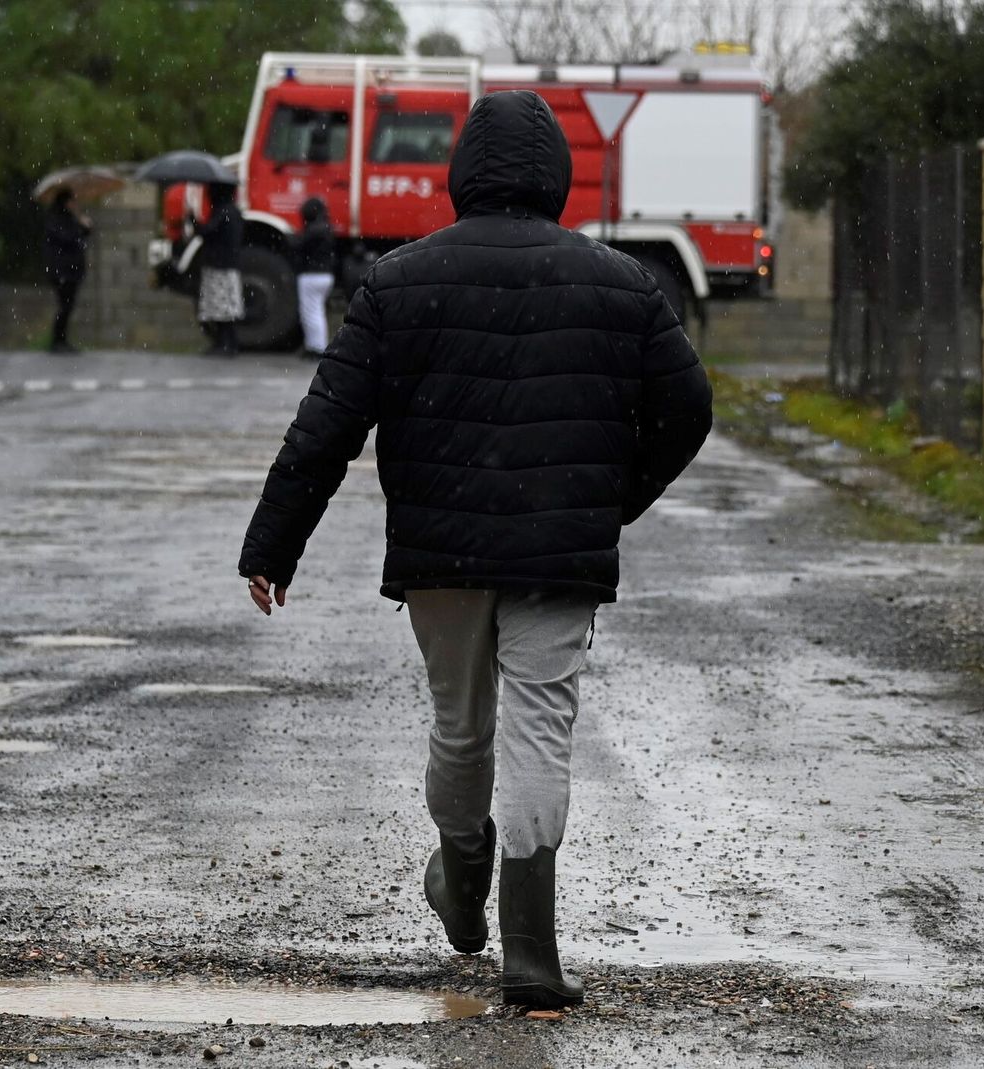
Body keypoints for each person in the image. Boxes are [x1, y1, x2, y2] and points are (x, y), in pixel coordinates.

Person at [237, 91, 711, 1009]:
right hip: (560, 556)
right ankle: (531, 952)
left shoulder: (398, 280)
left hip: (441, 556)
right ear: (555, 177)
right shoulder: (622, 283)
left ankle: (461, 881)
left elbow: (326, 425)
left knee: (462, 728)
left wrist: (274, 544)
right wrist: (609, 503)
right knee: (541, 733)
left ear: (462, 175)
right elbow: (688, 410)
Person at [197, 183, 244, 356]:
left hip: (218, 266)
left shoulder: (222, 212)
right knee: (227, 309)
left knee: (220, 308)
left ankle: (224, 345)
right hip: (230, 265)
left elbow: (208, 232)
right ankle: (230, 344)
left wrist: (194, 222)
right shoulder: (235, 211)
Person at [43, 188, 92, 354]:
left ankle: (61, 340)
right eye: (72, 201)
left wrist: (84, 225)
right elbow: (67, 239)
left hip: (71, 271)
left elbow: (80, 237)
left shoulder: (70, 219)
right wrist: (79, 227)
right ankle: (57, 341)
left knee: (68, 306)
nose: (74, 204)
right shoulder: (56, 219)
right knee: (65, 306)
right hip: (62, 271)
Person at [293, 197, 336, 358]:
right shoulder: (325, 227)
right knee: (316, 311)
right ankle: (315, 345)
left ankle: (316, 347)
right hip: (325, 274)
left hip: (312, 275)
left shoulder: (313, 230)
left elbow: (298, 245)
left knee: (311, 312)